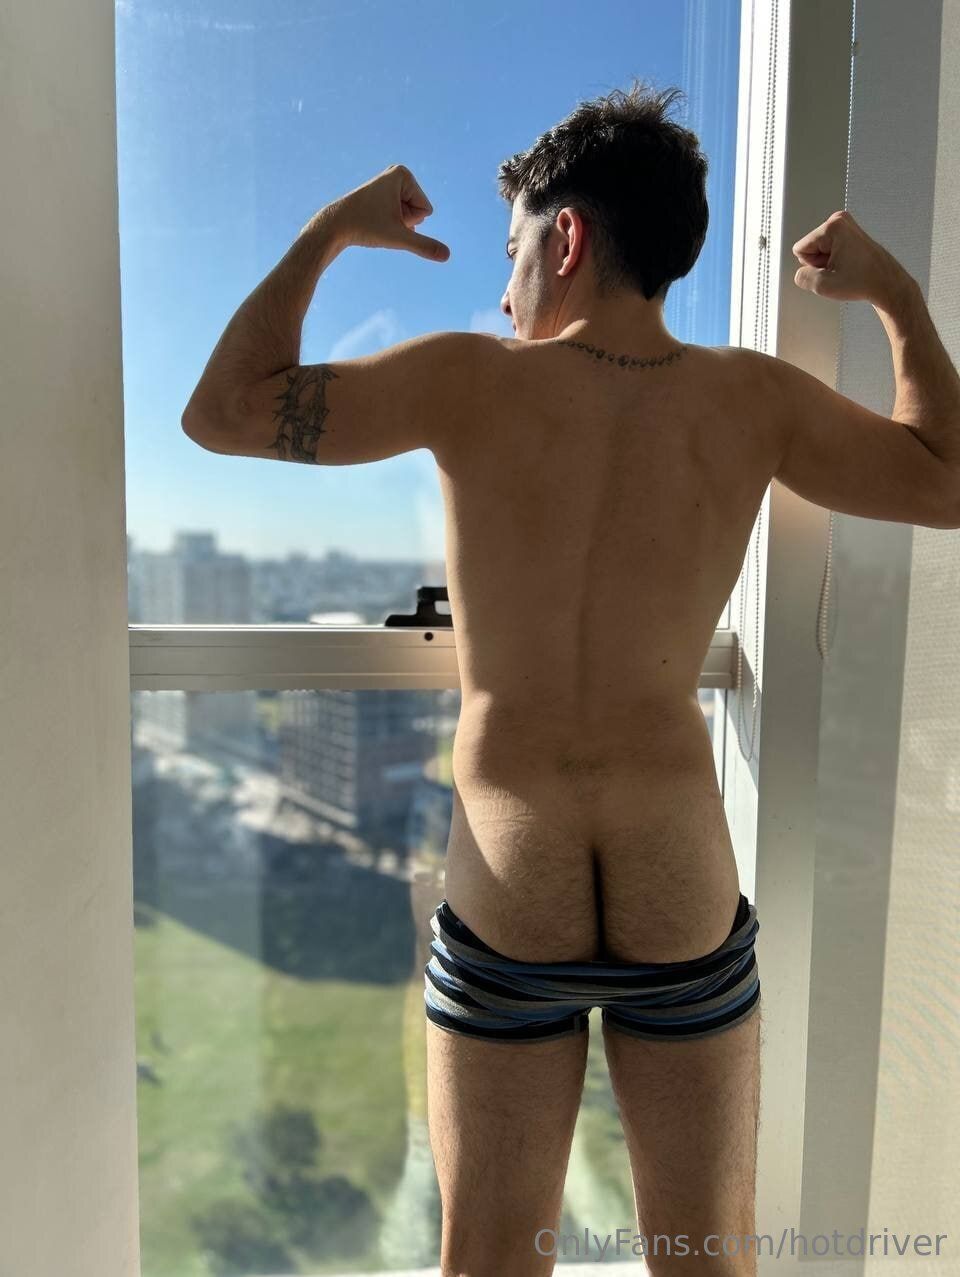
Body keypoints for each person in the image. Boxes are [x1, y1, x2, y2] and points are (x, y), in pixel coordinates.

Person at [183, 76, 960, 1277]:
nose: (505, 292)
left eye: (513, 252)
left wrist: (331, 230)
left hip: (513, 871)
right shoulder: (752, 399)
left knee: (491, 1258)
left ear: (568, 237)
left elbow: (224, 412)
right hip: (677, 867)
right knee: (707, 1255)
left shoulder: (469, 379)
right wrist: (895, 296)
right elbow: (947, 480)